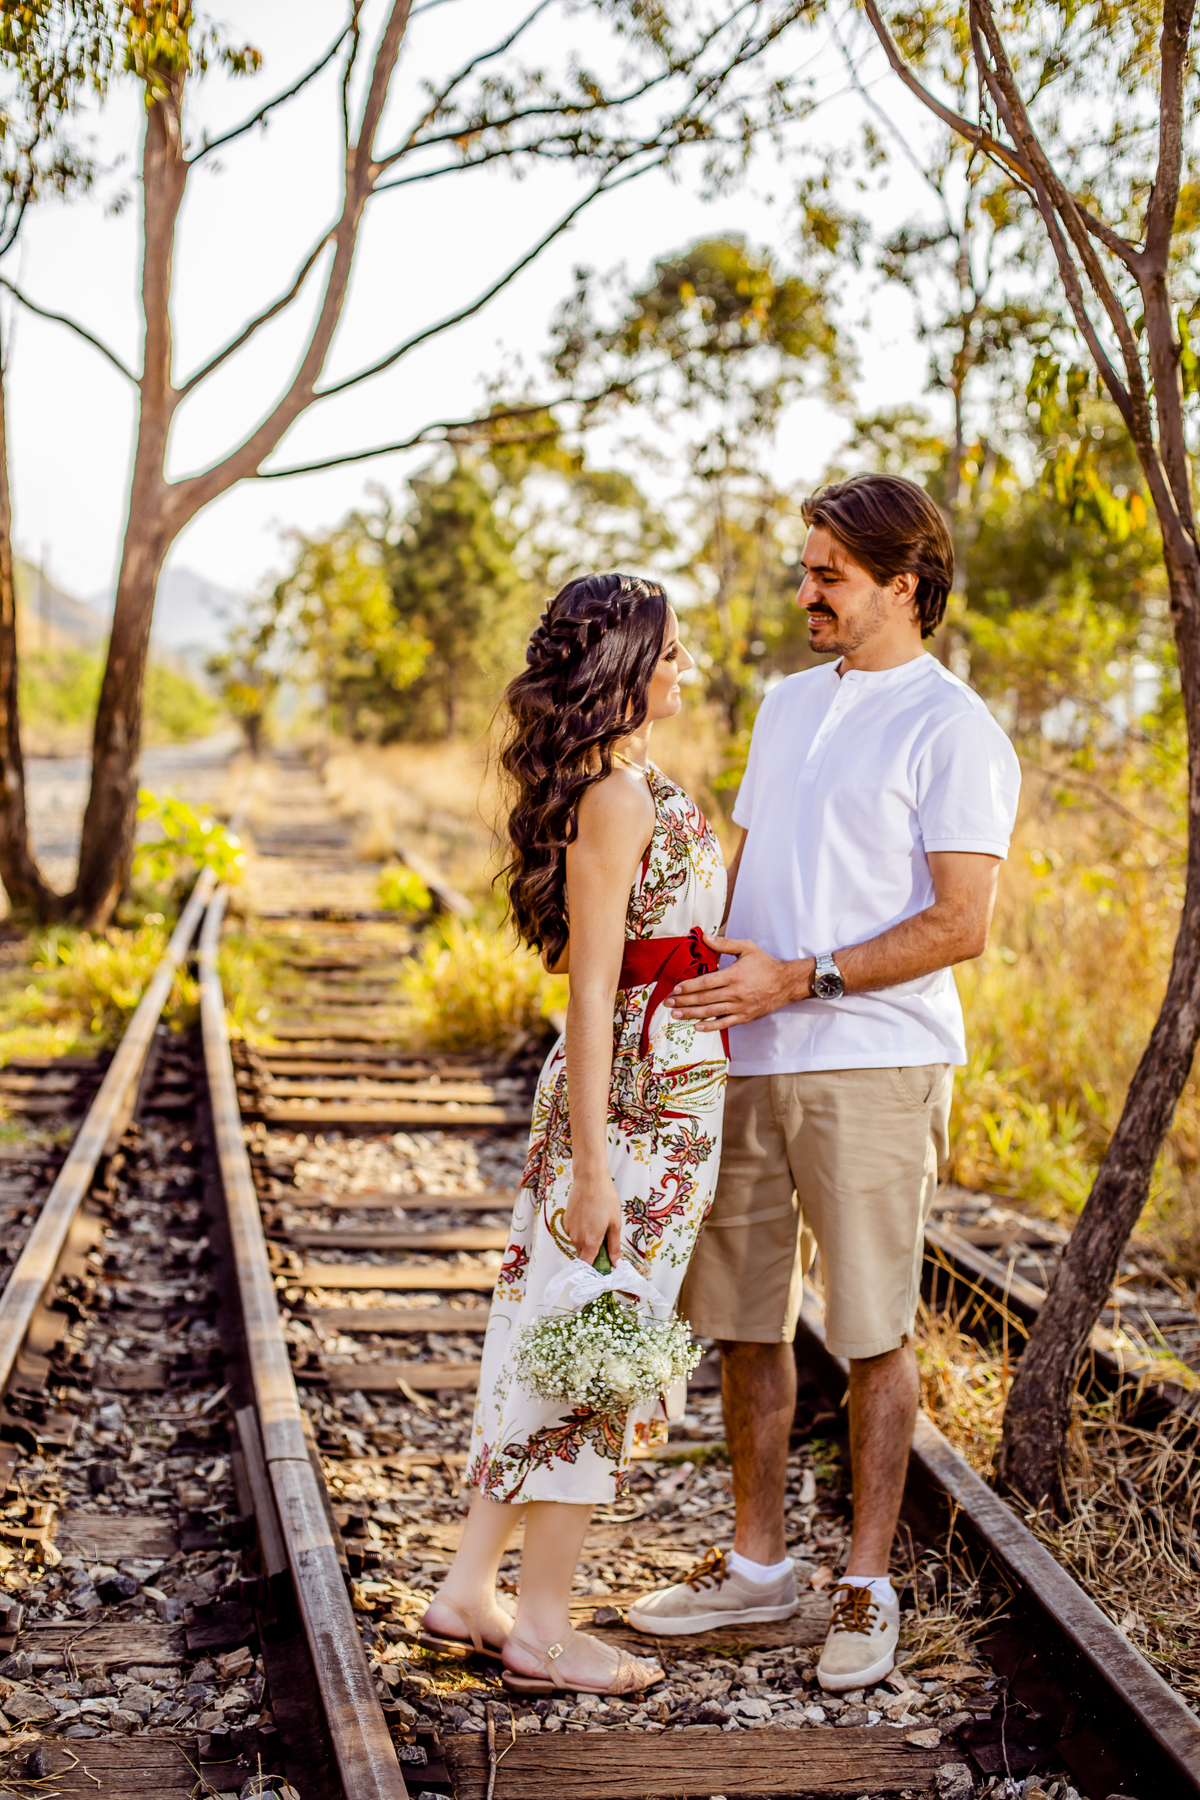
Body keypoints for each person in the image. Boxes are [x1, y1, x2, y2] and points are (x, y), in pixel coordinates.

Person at [626, 473, 1021, 1692]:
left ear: (904, 586)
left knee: (872, 1332)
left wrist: (802, 978)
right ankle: (756, 1570)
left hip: (877, 1062)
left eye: (828, 577)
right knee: (747, 1321)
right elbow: (753, 870)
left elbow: (961, 923)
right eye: (805, 570)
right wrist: (687, 985)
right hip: (750, 1054)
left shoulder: (955, 729)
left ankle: (865, 1586)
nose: (806, 592)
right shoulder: (788, 704)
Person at [421, 572, 729, 1697]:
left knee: (559, 1331)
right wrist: (596, 1167)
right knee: (597, 1349)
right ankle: (543, 1629)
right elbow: (589, 987)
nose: (688, 666)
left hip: (657, 1095)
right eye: (674, 649)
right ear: (629, 664)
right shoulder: (619, 795)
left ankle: (470, 1588)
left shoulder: (623, 783)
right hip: (639, 1111)